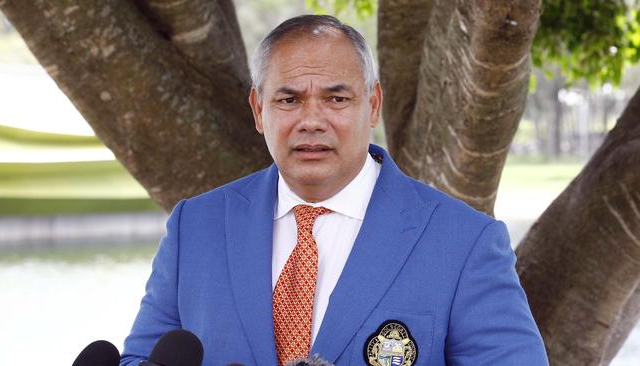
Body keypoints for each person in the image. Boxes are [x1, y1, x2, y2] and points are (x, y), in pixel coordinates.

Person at [120, 15, 548, 366]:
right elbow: (141, 358)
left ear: (373, 105)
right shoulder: (194, 227)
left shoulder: (464, 242)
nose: (312, 120)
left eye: (336, 99)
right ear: (258, 110)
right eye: (288, 100)